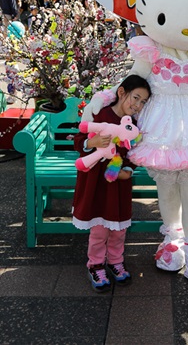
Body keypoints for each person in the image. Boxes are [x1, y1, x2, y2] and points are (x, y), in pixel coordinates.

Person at [73, 74, 151, 292]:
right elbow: (79, 141)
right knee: (99, 228)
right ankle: (95, 264)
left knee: (118, 228)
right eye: (135, 98)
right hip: (96, 182)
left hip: (118, 183)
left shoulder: (133, 126)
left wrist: (128, 169)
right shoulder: (99, 115)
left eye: (143, 102)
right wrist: (92, 141)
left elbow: (134, 154)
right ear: (121, 92)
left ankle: (116, 261)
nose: (137, 105)